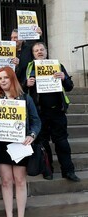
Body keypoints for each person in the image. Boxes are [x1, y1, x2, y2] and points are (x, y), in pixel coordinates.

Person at [24, 42, 80, 182]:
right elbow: (20, 89)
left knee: (62, 143)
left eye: (41, 49)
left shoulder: (58, 66)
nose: (39, 52)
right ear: (33, 53)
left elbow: (69, 87)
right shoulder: (29, 68)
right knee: (43, 143)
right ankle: (47, 170)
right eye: (36, 50)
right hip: (39, 113)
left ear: (46, 51)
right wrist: (26, 84)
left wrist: (64, 78)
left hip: (57, 111)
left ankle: (68, 171)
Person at [0, 66, 41, 217]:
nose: (3, 80)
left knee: (19, 180)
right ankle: (9, 215)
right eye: (0, 78)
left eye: (6, 77)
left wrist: (32, 134)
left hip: (20, 144)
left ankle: (21, 215)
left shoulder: (25, 98)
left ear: (12, 79)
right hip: (1, 145)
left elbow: (36, 121)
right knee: (6, 181)